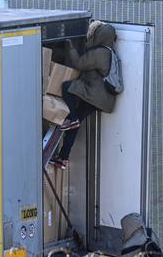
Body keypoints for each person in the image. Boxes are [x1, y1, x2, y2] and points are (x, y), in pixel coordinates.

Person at [51, 21, 118, 170]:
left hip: (95, 94)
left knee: (67, 87)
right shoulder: (109, 52)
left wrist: (70, 46)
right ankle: (63, 158)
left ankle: (72, 118)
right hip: (101, 98)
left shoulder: (101, 53)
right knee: (75, 125)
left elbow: (79, 63)